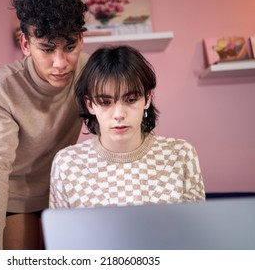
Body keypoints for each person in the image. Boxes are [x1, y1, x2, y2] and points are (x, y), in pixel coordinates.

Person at [0, 0, 88, 250]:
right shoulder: (2, 88)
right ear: (25, 44)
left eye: (69, 47)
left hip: (65, 192)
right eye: (47, 49)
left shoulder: (89, 73)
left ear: (81, 39)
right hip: (16, 195)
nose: (60, 63)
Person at [49, 45, 205, 209]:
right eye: (105, 102)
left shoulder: (181, 155)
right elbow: (63, 234)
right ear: (90, 105)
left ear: (147, 98)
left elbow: (195, 230)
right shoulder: (67, 164)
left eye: (130, 100)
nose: (119, 114)